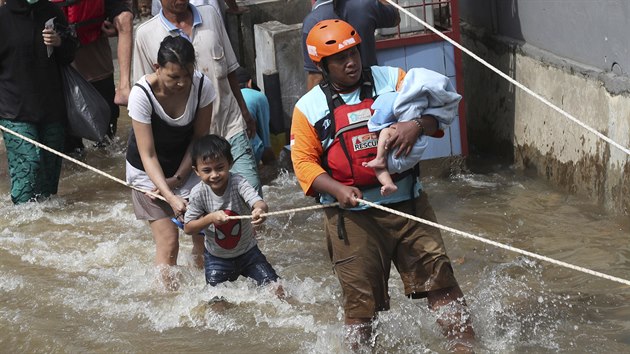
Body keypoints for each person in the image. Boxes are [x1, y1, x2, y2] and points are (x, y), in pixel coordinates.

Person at [291, 20, 474, 351]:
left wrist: (415, 125)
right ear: (323, 65)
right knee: (361, 311)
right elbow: (303, 164)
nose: (351, 62)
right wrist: (337, 189)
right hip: (352, 218)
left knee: (441, 284)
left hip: (410, 206)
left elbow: (440, 114)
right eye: (340, 58)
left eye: (354, 53)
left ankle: (466, 347)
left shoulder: (393, 80)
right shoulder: (307, 109)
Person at [133, 0, 262, 196]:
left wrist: (244, 111)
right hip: (189, 145)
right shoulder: (145, 35)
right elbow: (145, 96)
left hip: (228, 125)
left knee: (252, 197)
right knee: (205, 211)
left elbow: (229, 68)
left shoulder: (210, 14)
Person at [126, 35, 215, 290]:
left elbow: (199, 139)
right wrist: (170, 195)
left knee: (203, 235)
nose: (181, 83)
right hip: (147, 171)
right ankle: (168, 301)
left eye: (187, 75)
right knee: (169, 240)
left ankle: (205, 289)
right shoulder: (141, 94)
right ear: (157, 68)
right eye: (173, 76)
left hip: (186, 166)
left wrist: (178, 179)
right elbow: (148, 154)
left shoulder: (202, 87)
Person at [183, 134, 283, 296]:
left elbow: (258, 202)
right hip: (217, 259)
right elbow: (188, 228)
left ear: (230, 163)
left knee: (277, 289)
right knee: (216, 301)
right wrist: (210, 218)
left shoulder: (238, 183)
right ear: (197, 171)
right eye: (207, 170)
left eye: (220, 167)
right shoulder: (198, 193)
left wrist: (260, 211)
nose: (214, 174)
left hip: (249, 253)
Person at [0, 0, 77, 204]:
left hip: (52, 108)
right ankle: (22, 229)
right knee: (28, 169)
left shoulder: (53, 12)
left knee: (48, 182)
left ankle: (47, 231)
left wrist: (60, 42)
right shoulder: (3, 17)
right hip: (14, 111)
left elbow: (70, 54)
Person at [362, 69, 462, 196]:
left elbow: (390, 112)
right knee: (380, 167)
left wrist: (415, 125)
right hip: (408, 153)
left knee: (385, 133)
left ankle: (380, 159)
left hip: (406, 148)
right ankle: (389, 184)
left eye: (403, 83)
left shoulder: (410, 100)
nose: (400, 85)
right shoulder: (421, 102)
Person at [55, 0, 134, 154]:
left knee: (108, 141)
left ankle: (124, 88)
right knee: (69, 148)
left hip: (97, 65)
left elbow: (123, 14)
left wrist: (117, 23)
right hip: (59, 69)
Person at [301, 0, 400, 90]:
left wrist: (312, 107)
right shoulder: (366, 4)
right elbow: (396, 18)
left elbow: (316, 76)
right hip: (374, 88)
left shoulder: (312, 21)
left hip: (338, 99)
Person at [235, 67, 275, 166]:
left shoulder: (226, 97)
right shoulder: (258, 96)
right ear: (249, 83)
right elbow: (265, 142)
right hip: (247, 152)